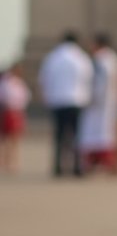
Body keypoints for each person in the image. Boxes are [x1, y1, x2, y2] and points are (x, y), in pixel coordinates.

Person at [37, 32, 93, 177]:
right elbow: (89, 79)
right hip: (77, 100)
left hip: (58, 101)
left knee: (59, 136)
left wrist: (47, 97)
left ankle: (58, 167)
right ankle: (77, 167)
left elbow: (44, 79)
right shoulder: (82, 58)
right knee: (77, 136)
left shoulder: (53, 57)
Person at [77, 34, 117, 174]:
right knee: (104, 133)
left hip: (100, 103)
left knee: (98, 133)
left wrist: (93, 98)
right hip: (109, 102)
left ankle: (103, 162)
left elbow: (100, 83)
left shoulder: (101, 61)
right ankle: (101, 162)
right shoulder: (113, 59)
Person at [0, 62, 31, 174]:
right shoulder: (6, 82)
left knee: (16, 138)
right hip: (8, 111)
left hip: (17, 111)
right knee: (6, 138)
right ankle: (5, 161)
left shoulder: (19, 82)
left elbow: (26, 96)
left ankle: (14, 161)